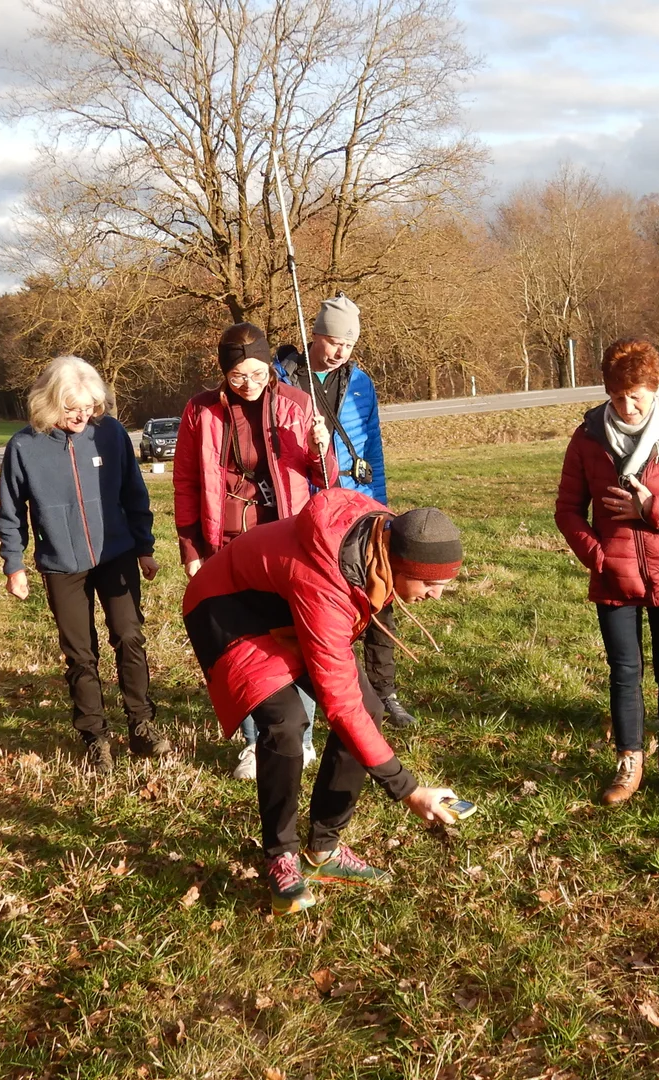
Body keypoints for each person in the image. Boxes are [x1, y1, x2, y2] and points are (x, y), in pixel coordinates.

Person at [182, 489, 467, 913]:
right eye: (430, 584)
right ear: (402, 564)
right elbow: (339, 704)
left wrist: (381, 689)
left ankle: (324, 850)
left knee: (370, 711)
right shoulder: (328, 581)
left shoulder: (382, 544)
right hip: (227, 609)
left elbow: (366, 653)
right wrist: (408, 790)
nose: (436, 596)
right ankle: (281, 856)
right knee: (286, 723)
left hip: (285, 606)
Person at [555, 339, 659, 805]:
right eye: (616, 397)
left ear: (657, 386)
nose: (627, 407)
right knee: (623, 671)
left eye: (637, 396)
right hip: (614, 576)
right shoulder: (587, 438)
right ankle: (629, 760)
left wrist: (654, 508)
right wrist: (597, 554)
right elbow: (568, 510)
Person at [0, 355, 169, 773]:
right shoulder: (24, 446)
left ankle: (142, 725)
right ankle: (95, 735)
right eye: (72, 408)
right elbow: (10, 509)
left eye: (89, 407)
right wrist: (14, 563)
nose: (82, 416)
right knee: (80, 654)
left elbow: (134, 490)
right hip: (61, 563)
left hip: (118, 553)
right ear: (50, 403)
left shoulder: (108, 434)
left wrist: (144, 546)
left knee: (129, 637)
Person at [173, 323, 330, 780]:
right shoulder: (199, 411)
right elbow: (185, 482)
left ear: (269, 365)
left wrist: (321, 448)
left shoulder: (297, 405)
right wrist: (190, 546)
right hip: (226, 544)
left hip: (287, 542)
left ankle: (300, 740)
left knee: (293, 638)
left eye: (258, 373)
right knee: (242, 645)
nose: (249, 384)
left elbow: (324, 476)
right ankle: (256, 742)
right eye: (238, 375)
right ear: (224, 373)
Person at [275, 294, 419, 730]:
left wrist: (379, 505)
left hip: (358, 506)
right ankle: (312, 695)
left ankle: (384, 691)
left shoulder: (361, 382)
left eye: (349, 346)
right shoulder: (285, 380)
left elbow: (372, 445)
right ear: (314, 334)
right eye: (334, 342)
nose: (340, 353)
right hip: (308, 508)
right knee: (318, 605)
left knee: (378, 594)